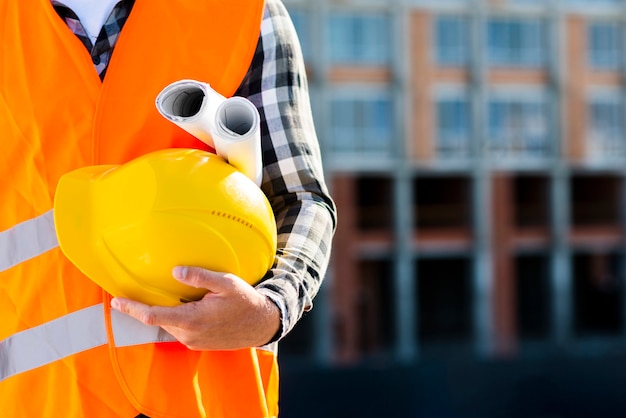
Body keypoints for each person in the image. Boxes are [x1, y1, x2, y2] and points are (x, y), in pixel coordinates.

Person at [0, 0, 336, 416]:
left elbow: (299, 199)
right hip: (40, 401)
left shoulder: (241, 12)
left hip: (205, 401)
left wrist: (269, 309)